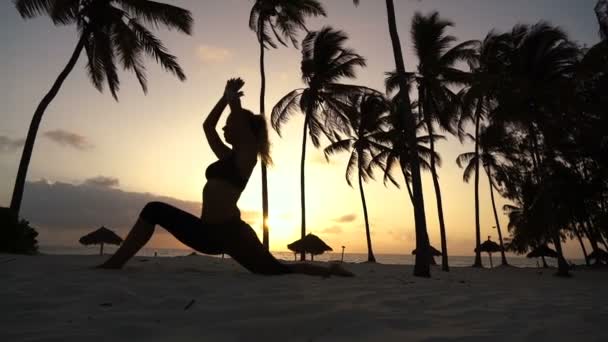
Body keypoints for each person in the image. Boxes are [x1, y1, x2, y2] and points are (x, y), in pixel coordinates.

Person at [98, 78, 353, 277]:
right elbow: (208, 127)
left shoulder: (247, 157)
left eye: (230, 124)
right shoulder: (226, 157)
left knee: (276, 271)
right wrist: (223, 99)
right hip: (205, 232)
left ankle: (331, 269)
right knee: (153, 209)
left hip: (232, 234)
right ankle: (115, 263)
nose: (225, 127)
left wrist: (235, 103)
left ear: (243, 130)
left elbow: (243, 128)